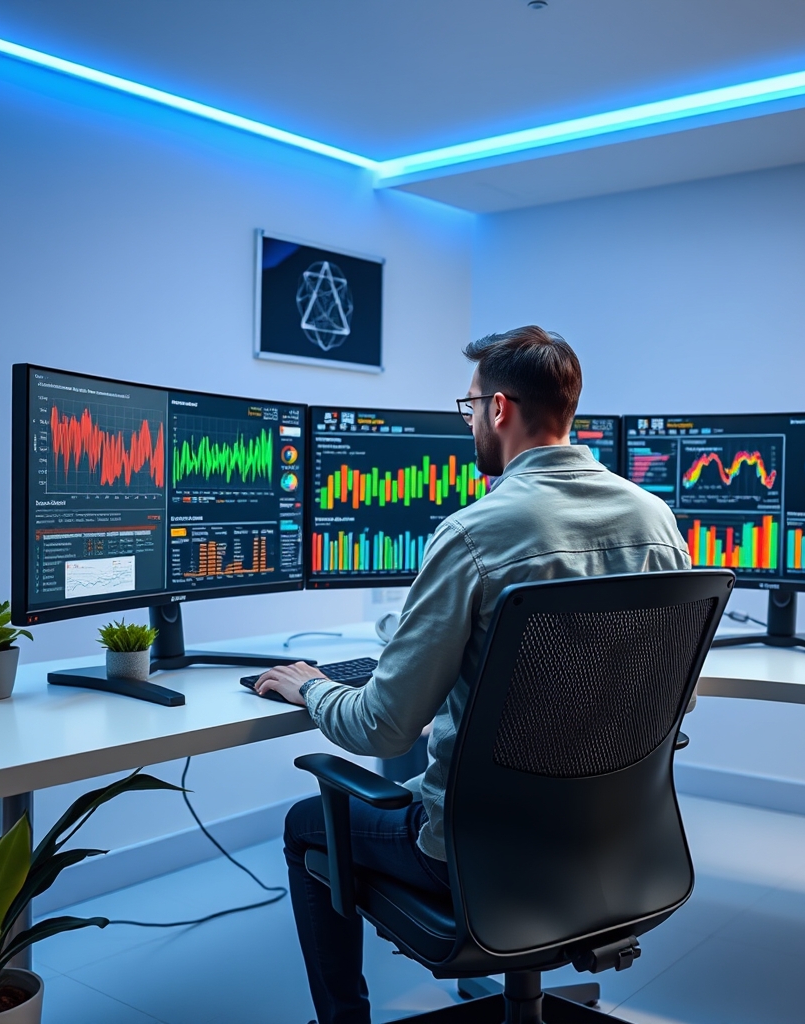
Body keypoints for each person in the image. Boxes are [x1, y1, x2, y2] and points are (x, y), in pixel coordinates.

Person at [253, 326, 690, 1024]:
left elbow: (382, 726)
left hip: (479, 861)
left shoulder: (474, 533)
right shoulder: (656, 520)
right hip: (614, 846)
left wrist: (310, 685)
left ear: (499, 409)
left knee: (308, 823)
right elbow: (670, 696)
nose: (471, 422)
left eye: (471, 405)